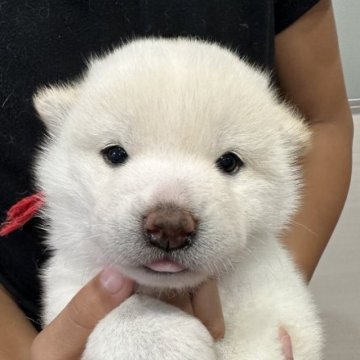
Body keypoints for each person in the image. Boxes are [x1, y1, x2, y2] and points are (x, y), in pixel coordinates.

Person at [0, 0, 353, 359]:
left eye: (227, 163)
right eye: (116, 155)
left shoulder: (264, 268)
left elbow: (326, 120)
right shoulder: (70, 269)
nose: (169, 224)